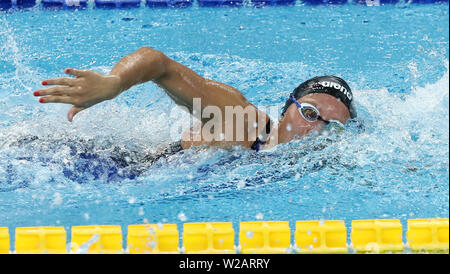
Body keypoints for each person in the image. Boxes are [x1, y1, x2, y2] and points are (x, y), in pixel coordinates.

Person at [34, 46, 357, 156]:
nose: (318, 129)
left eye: (334, 125)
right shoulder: (242, 124)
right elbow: (158, 63)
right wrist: (114, 83)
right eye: (311, 112)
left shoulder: (319, 161)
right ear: (287, 108)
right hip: (102, 164)